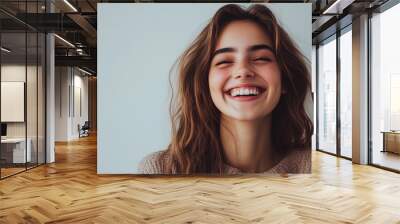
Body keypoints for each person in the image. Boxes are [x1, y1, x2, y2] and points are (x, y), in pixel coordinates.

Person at [138, 3, 313, 174]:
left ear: (286, 80)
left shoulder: (316, 167)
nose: (243, 71)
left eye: (261, 58)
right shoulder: (162, 170)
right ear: (204, 84)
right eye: (224, 61)